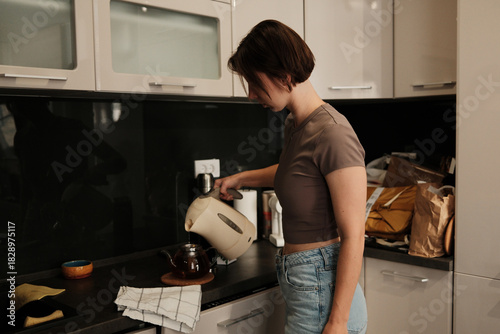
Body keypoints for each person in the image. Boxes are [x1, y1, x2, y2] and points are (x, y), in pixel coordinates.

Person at [214, 20, 368, 334]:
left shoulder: (333, 133)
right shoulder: (297, 125)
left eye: (254, 83)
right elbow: (298, 172)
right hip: (307, 283)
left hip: (324, 290)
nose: (250, 94)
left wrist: (337, 323)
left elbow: (354, 235)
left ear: (284, 77)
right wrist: (241, 178)